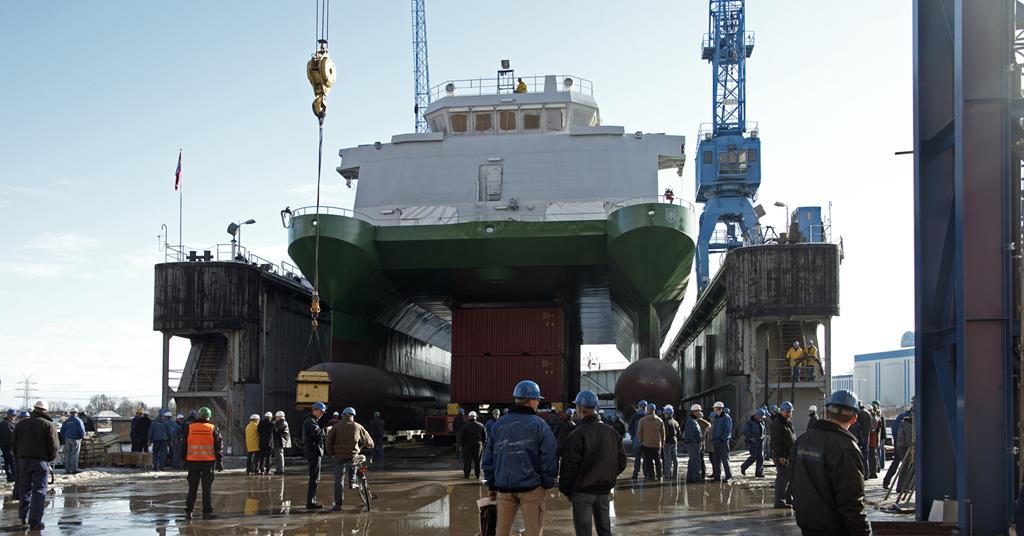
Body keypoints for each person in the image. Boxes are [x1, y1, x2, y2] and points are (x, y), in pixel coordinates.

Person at [790, 390, 870, 535]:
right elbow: (851, 500)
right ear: (854, 419)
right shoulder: (846, 448)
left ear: (827, 413)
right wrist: (862, 532)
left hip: (807, 524)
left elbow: (793, 481)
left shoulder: (802, 441)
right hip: (835, 528)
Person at [482, 380, 557, 536]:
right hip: (532, 489)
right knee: (533, 532)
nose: (538, 403)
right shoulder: (540, 426)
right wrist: (547, 483)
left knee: (501, 532)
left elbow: (488, 458)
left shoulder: (499, 425)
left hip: (504, 489)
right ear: (530, 401)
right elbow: (548, 458)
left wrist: (492, 484)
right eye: (538, 400)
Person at [559, 390, 626, 536]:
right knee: (605, 531)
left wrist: (566, 489)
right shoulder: (612, 433)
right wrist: (607, 477)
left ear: (579, 409)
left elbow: (569, 467)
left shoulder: (576, 435)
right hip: (603, 492)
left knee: (584, 532)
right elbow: (621, 462)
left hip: (582, 493)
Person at [13, 400, 59, 530]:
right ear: (45, 411)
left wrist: (18, 457)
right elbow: (54, 446)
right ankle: (35, 521)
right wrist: (48, 459)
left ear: (34, 409)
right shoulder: (49, 425)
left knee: (24, 489)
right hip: (40, 461)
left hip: (23, 461)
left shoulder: (21, 424)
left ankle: (23, 516)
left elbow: (13, 443)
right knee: (39, 491)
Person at [325, 407, 374, 511]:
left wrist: (331, 453)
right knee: (354, 462)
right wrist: (370, 445)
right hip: (353, 455)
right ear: (353, 416)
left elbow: (328, 441)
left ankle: (338, 505)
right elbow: (369, 440)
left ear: (343, 415)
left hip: (339, 456)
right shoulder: (358, 427)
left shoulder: (336, 427)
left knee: (338, 481)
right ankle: (352, 482)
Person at [181, 406, 224, 520]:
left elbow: (183, 445)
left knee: (192, 488)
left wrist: (183, 460)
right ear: (208, 417)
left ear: (198, 416)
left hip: (192, 461)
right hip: (208, 462)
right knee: (207, 488)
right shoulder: (212, 428)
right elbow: (218, 445)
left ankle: (189, 512)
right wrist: (219, 461)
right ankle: (206, 513)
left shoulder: (190, 427)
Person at [770, 401, 797, 508]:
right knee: (782, 478)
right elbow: (776, 442)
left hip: (789, 455)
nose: (789, 413)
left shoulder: (786, 422)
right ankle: (779, 501)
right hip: (782, 456)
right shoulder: (778, 424)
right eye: (787, 411)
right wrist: (781, 456)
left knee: (790, 477)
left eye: (790, 411)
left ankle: (788, 499)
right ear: (781, 411)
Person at [883, 400, 914, 491]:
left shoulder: (902, 416)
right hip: (903, 445)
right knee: (906, 465)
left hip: (899, 443)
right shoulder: (906, 418)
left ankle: (887, 481)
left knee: (896, 463)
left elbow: (894, 429)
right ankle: (902, 486)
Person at [304, 402, 328, 508]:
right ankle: (311, 502)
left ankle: (311, 500)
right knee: (314, 477)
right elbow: (317, 434)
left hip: (313, 451)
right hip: (314, 451)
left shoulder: (311, 421)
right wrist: (326, 430)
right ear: (314, 410)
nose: (322, 414)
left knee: (314, 477)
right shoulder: (310, 421)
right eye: (321, 411)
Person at [637, 402, 665, 480]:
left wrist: (640, 441)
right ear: (654, 410)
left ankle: (651, 476)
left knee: (649, 461)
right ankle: (659, 475)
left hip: (646, 444)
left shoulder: (642, 420)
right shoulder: (660, 420)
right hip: (657, 444)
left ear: (648, 410)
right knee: (658, 461)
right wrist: (662, 443)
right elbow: (663, 433)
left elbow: (639, 432)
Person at [456, 410, 486, 480]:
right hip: (478, 446)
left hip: (467, 446)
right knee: (478, 461)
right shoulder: (481, 426)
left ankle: (466, 475)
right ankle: (477, 475)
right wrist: (482, 444)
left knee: (467, 461)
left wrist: (461, 445)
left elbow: (462, 437)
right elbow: (485, 437)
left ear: (469, 417)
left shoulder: (464, 426)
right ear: (476, 417)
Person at [710, 401, 733, 482]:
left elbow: (727, 430)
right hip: (716, 441)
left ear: (718, 408)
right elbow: (714, 430)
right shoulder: (716, 417)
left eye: (715, 408)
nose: (714, 409)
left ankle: (728, 476)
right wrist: (714, 439)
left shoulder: (726, 417)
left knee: (725, 460)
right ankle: (717, 477)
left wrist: (722, 439)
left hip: (723, 442)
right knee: (716, 460)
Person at [60, 407, 86, 474]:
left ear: (70, 413)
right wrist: (83, 436)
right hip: (76, 439)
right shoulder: (78, 421)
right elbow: (81, 430)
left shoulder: (67, 421)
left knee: (68, 454)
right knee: (75, 454)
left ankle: (68, 469)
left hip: (68, 439)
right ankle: (74, 469)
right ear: (76, 413)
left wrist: (66, 436)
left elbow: (62, 430)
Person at [740, 409, 765, 477]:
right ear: (756, 415)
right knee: (753, 457)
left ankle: (759, 473)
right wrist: (751, 439)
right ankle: (743, 467)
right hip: (752, 442)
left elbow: (764, 430)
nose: (761, 418)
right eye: (760, 416)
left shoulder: (762, 421)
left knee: (760, 457)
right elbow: (745, 432)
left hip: (760, 441)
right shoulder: (749, 422)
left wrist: (763, 436)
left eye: (762, 417)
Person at [628, 399, 648, 479]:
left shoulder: (635, 416)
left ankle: (635, 474)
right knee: (646, 458)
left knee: (637, 458)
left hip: (637, 441)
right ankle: (646, 474)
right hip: (646, 441)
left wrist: (633, 435)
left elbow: (630, 427)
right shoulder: (648, 416)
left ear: (639, 406)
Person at [661, 405, 681, 480]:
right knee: (675, 458)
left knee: (667, 459)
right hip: (674, 441)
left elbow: (666, 434)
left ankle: (667, 475)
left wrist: (663, 442)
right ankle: (675, 475)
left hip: (667, 442)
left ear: (666, 413)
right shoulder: (676, 422)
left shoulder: (666, 422)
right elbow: (679, 434)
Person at [855, 402, 873, 478]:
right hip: (867, 436)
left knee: (859, 457)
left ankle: (862, 474)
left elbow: (856, 425)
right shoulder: (868, 413)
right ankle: (867, 474)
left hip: (861, 437)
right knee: (866, 457)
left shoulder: (858, 414)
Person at [1, 409, 16, 483]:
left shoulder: (9, 423)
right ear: (9, 415)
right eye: (13, 415)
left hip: (6, 446)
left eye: (15, 415)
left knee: (9, 462)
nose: (14, 417)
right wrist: (11, 448)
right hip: (7, 447)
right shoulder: (6, 424)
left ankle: (11, 476)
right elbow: (7, 437)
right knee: (11, 462)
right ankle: (12, 476)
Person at [273, 411, 291, 475]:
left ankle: (280, 469)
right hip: (280, 441)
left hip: (280, 441)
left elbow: (276, 430)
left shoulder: (282, 423)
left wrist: (273, 424)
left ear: (280, 417)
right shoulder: (282, 422)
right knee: (279, 456)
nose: (275, 418)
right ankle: (279, 469)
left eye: (276, 417)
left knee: (279, 456)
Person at [697, 409, 712, 480]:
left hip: (699, 443)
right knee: (701, 459)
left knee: (699, 459)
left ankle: (702, 473)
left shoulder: (699, 422)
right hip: (702, 442)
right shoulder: (705, 424)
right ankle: (702, 473)